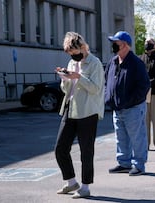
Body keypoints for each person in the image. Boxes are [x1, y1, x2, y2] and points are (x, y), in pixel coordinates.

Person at [54, 32, 105, 199]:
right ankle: (71, 182)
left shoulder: (94, 63)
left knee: (86, 151)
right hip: (70, 108)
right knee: (60, 148)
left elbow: (96, 89)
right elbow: (66, 89)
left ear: (82, 48)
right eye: (70, 54)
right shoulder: (71, 62)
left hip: (88, 111)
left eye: (74, 53)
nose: (73, 57)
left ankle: (85, 187)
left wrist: (78, 77)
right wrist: (64, 78)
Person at [105, 31, 150, 176]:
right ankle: (124, 163)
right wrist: (108, 97)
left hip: (133, 108)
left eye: (115, 43)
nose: (113, 46)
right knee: (121, 137)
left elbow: (144, 86)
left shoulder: (136, 63)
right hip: (117, 108)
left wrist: (130, 101)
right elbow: (107, 81)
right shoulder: (113, 62)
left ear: (124, 45)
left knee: (137, 138)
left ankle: (139, 165)